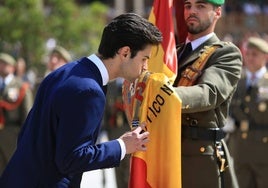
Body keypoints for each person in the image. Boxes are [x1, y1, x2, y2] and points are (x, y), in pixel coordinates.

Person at [0, 13, 162, 187]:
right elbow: (71, 158)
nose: (145, 66)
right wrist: (122, 146)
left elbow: (27, 135)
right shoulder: (88, 90)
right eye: (144, 59)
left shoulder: (63, 73)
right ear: (124, 52)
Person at [173, 0, 242, 187]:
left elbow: (209, 93)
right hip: (166, 148)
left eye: (201, 6)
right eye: (188, 6)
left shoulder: (226, 53)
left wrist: (164, 95)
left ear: (217, 12)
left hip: (199, 157)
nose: (191, 11)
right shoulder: (173, 53)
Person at [227, 36, 268, 188]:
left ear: (265, 57)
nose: (250, 58)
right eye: (248, 53)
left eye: (254, 54)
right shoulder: (238, 80)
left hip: (264, 151)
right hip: (240, 150)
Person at [0, 53, 34, 176]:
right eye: (0, 63)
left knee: (14, 172)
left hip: (13, 134)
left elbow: (27, 114)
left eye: (5, 64)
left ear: (13, 67)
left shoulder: (21, 86)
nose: (2, 66)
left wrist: (25, 139)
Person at [102, 78, 130, 188]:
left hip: (129, 130)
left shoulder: (132, 80)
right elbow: (106, 111)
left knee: (130, 170)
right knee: (118, 170)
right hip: (114, 132)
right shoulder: (109, 84)